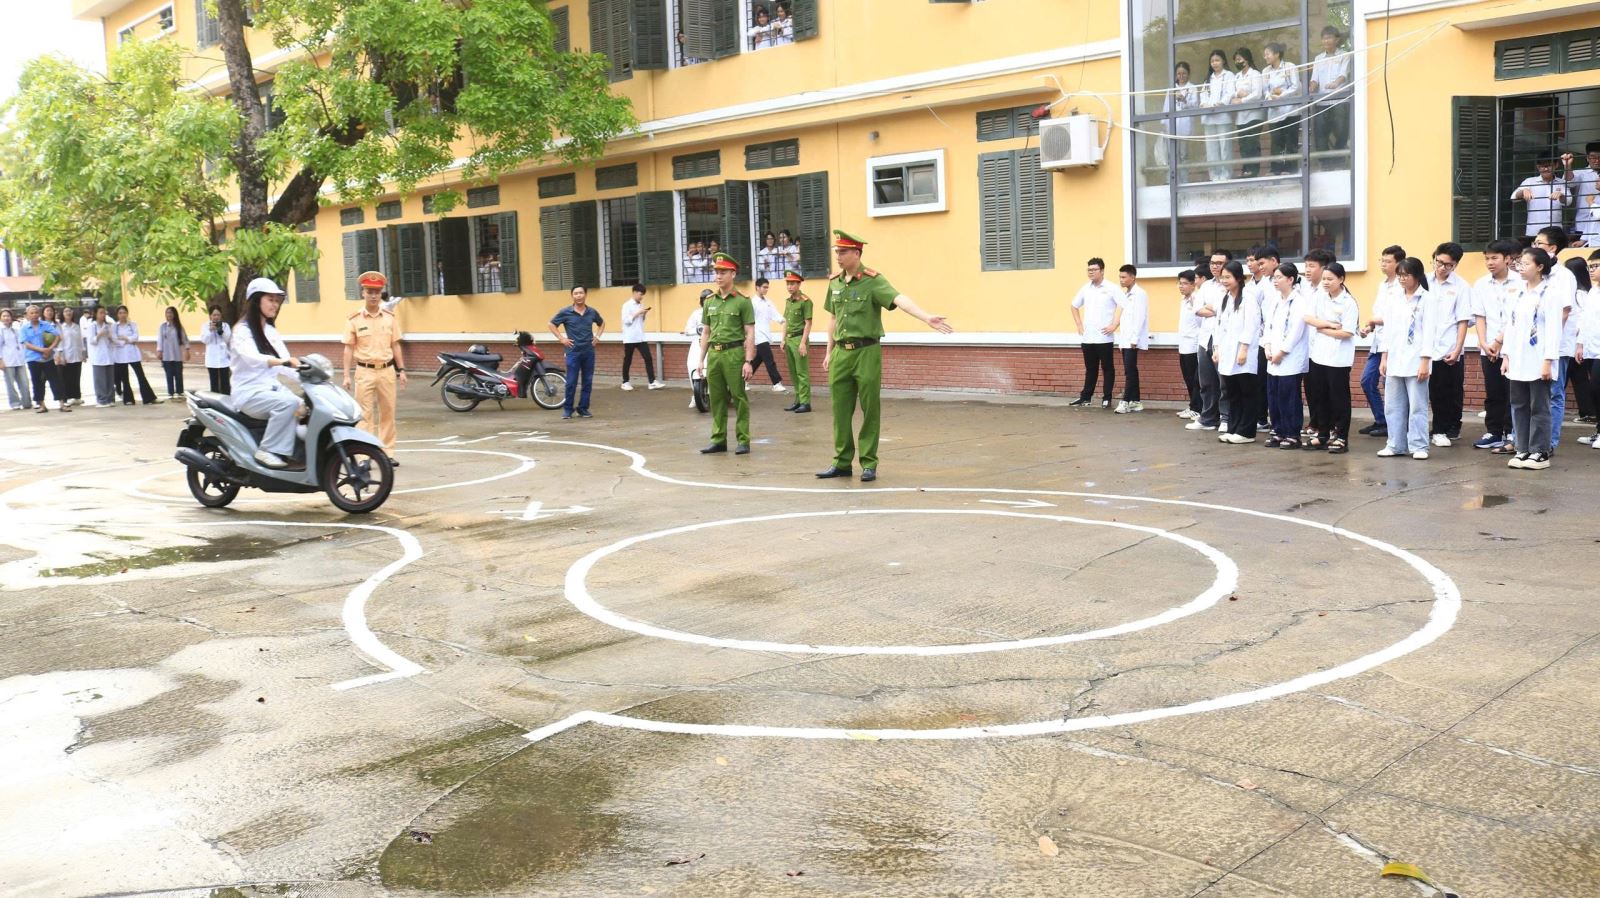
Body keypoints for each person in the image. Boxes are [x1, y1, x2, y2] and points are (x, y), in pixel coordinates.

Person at [816, 230, 952, 482]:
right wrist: (828, 352)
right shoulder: (834, 282)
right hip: (840, 355)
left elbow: (899, 299)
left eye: (843, 252)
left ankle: (869, 463)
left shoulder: (872, 280)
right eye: (837, 252)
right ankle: (842, 462)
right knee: (840, 410)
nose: (838, 256)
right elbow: (833, 318)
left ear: (857, 253)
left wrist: (926, 317)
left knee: (870, 409)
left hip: (866, 351)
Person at [230, 278, 305, 469]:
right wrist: (281, 361)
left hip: (270, 389)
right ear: (256, 301)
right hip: (249, 393)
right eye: (270, 300)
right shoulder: (241, 331)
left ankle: (296, 454)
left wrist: (308, 378)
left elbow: (285, 363)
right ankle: (267, 450)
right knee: (288, 403)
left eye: (277, 300)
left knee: (305, 406)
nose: (275, 304)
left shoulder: (270, 331)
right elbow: (253, 358)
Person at [1502, 248, 1563, 470]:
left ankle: (1539, 451)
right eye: (1520, 263)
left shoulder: (1550, 294)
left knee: (1539, 406)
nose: (1521, 267)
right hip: (1518, 359)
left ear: (1540, 267)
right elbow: (1511, 327)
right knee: (1519, 405)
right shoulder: (1518, 293)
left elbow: (1555, 330)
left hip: (1539, 359)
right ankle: (1522, 448)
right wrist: (1506, 355)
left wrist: (1548, 360)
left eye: (1526, 263)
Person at [342, 270, 409, 465]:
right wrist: (346, 375)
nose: (373, 295)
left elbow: (396, 345)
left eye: (377, 292)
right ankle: (364, 456)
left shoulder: (389, 318)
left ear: (381, 294)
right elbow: (348, 349)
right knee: (365, 415)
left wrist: (402, 370)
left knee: (388, 412)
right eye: (369, 291)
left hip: (387, 371)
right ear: (363, 293)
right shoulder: (354, 319)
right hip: (364, 371)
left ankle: (387, 454)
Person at [1378, 257, 1438, 460]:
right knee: (1393, 406)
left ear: (1417, 276)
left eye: (1406, 275)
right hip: (1395, 358)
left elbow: (1429, 332)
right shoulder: (1394, 298)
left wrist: (1425, 361)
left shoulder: (1427, 299)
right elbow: (1388, 331)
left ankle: (1419, 445)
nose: (1402, 279)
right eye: (1400, 275)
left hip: (1417, 359)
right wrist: (1384, 357)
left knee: (1417, 406)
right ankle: (1395, 444)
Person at [697, 253, 756, 455]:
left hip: (734, 353)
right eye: (716, 272)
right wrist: (701, 359)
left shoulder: (742, 301)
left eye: (723, 272)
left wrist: (748, 361)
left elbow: (749, 333)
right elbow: (706, 332)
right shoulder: (709, 301)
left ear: (733, 273)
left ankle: (743, 440)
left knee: (738, 397)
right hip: (715, 354)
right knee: (716, 398)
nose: (718, 276)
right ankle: (718, 439)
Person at [1471, 239, 1522, 451]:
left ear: (1508, 259)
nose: (1490, 262)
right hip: (1489, 347)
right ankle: (1493, 432)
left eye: (1494, 258)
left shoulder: (1520, 282)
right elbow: (1479, 316)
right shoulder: (1481, 284)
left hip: (1512, 347)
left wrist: (1499, 340)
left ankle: (1512, 432)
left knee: (1512, 391)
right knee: (1493, 392)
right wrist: (1484, 343)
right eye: (1487, 258)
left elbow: (1515, 317)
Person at [1304, 262, 1360, 453]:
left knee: (1339, 399)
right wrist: (1329, 324)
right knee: (1320, 397)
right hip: (1318, 355)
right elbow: (1308, 318)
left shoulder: (1348, 302)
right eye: (1325, 279)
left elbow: (1347, 332)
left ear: (1341, 280)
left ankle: (1341, 437)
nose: (1326, 282)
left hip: (1338, 358)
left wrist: (1322, 329)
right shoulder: (1319, 296)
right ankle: (1322, 435)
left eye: (1330, 279)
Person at [1425, 242, 1472, 447]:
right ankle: (1438, 428)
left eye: (1448, 265)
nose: (1442, 267)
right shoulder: (1423, 282)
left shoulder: (1461, 286)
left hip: (1449, 345)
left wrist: (1457, 348)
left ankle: (1445, 428)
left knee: (1449, 390)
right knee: (1432, 390)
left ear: (1456, 265)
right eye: (1439, 262)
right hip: (1427, 346)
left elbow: (1463, 320)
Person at [1358, 245, 1405, 438]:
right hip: (1379, 342)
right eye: (1382, 260)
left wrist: (1376, 321)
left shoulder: (1403, 286)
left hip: (1395, 344)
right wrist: (1370, 327)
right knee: (1367, 381)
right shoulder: (1382, 285)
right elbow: (1379, 314)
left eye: (1388, 261)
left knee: (1390, 385)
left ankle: (1396, 425)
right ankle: (1381, 420)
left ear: (1398, 263)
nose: (1383, 265)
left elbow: (1399, 315)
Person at [1213, 259, 1261, 443]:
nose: (1224, 280)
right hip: (1227, 352)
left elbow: (1251, 325)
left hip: (1243, 353)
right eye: (1222, 277)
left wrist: (1243, 349)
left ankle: (1246, 432)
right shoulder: (1225, 299)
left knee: (1246, 392)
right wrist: (1216, 348)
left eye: (1228, 277)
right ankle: (1234, 428)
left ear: (1239, 278)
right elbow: (1218, 326)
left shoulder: (1248, 298)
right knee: (1232, 392)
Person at [1262, 263, 1309, 447]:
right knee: (1273, 396)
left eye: (1279, 277)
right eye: (1274, 277)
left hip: (1290, 357)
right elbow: (1268, 326)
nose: (1275, 281)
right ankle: (1278, 430)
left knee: (1288, 396)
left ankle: (1292, 433)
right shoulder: (1275, 300)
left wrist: (1282, 351)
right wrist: (1267, 346)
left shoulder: (1299, 301)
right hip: (1272, 356)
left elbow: (1296, 331)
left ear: (1291, 279)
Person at [1068, 257, 1120, 408]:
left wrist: (1114, 324)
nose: (1091, 272)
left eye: (1094, 269)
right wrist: (1079, 324)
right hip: (1088, 337)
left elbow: (1124, 306)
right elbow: (1074, 306)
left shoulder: (1111, 288)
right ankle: (1085, 397)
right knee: (1090, 369)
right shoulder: (1086, 288)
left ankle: (1107, 398)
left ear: (1102, 271)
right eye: (1089, 270)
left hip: (1104, 338)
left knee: (1107, 368)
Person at [549, 285, 604, 420]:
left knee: (587, 381)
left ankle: (583, 408)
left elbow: (601, 323)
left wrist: (597, 337)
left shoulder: (592, 312)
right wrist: (562, 338)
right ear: (572, 296)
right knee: (571, 381)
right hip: (573, 352)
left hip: (588, 352)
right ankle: (568, 410)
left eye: (581, 293)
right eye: (575, 293)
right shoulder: (565, 312)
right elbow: (551, 324)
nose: (578, 296)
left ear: (585, 294)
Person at [1189, 251, 1230, 431]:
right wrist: (1215, 309)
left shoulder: (1232, 285)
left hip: (1224, 338)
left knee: (1224, 381)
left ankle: (1226, 417)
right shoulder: (1206, 286)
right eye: (1213, 263)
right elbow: (1197, 309)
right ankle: (1208, 418)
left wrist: (1212, 309)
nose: (1215, 266)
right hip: (1206, 338)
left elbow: (1228, 310)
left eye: (1220, 263)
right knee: (1206, 381)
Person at [1308, 26, 1352, 164]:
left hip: (1339, 101)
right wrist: (1312, 86)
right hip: (1322, 102)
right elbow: (1314, 78)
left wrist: (1335, 84)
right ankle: (1325, 163)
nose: (1326, 40)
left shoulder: (1344, 55)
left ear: (1337, 39)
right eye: (1324, 38)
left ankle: (1339, 161)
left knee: (1342, 132)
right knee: (1320, 135)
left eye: (1329, 37)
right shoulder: (1318, 58)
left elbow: (1343, 75)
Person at [1114, 264, 1149, 413]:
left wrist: (1134, 339)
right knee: (1131, 370)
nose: (1121, 280)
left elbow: (1140, 317)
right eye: (1120, 277)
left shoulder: (1139, 294)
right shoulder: (1126, 294)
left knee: (1130, 370)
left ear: (1132, 277)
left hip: (1132, 339)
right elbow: (1125, 318)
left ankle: (1125, 401)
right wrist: (1122, 340)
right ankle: (1136, 401)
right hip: (1125, 339)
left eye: (1124, 277)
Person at [19, 304, 67, 413]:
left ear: (39, 314)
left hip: (48, 358)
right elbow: (26, 344)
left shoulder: (45, 324)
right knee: (37, 382)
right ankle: (41, 404)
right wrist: (42, 350)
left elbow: (58, 337)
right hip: (33, 358)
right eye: (31, 313)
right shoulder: (24, 328)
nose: (34, 315)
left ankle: (62, 404)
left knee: (55, 380)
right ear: (27, 315)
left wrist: (49, 349)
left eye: (36, 312)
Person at [1261, 42, 1300, 175]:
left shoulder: (1290, 67)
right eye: (1264, 54)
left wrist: (1281, 95)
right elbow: (1265, 90)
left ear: (1277, 54)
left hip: (1290, 111)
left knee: (1290, 140)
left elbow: (1295, 87)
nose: (1265, 57)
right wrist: (1270, 96)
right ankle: (1276, 169)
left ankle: (1290, 169)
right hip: (1275, 111)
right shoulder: (1265, 71)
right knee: (1276, 141)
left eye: (1267, 54)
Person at [1511, 154, 1571, 237]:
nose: (1546, 169)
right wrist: (1523, 191)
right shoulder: (1530, 182)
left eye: (1549, 166)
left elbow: (1569, 201)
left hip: (1555, 232)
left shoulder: (1561, 183)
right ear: (1538, 167)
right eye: (1542, 166)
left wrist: (1561, 196)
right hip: (1534, 232)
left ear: (1556, 165)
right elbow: (1513, 197)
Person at [1199, 50, 1236, 182]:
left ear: (1223, 61)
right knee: (1211, 148)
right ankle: (1214, 175)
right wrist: (1204, 104)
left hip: (1222, 117)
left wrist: (1219, 104)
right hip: (1209, 118)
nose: (1214, 63)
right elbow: (1202, 95)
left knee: (1224, 146)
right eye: (1212, 61)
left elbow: (1230, 93)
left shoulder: (1229, 75)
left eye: (1217, 60)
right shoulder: (1208, 78)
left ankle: (1226, 174)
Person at [1156, 62, 1198, 178]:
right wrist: (1164, 125)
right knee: (1171, 155)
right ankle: (1172, 180)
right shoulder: (1172, 89)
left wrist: (1184, 101)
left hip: (1185, 126)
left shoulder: (1192, 88)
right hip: (1172, 127)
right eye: (1179, 73)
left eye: (1184, 73)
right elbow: (1166, 107)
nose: (1181, 76)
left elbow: (1195, 106)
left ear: (1188, 74)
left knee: (1183, 155)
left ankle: (1184, 180)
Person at [1230, 47, 1267, 178]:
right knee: (1243, 144)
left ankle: (1253, 170)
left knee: (1252, 143)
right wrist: (1238, 94)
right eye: (1236, 60)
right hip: (1241, 117)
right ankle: (1246, 170)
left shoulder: (1255, 74)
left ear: (1247, 59)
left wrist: (1243, 99)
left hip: (1254, 115)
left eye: (1239, 59)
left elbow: (1257, 94)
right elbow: (1233, 92)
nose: (1237, 62)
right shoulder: (1237, 76)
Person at [620, 283, 664, 391]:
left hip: (640, 337)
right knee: (628, 360)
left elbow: (641, 321)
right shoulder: (626, 305)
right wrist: (638, 312)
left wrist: (644, 314)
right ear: (634, 292)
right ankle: (625, 382)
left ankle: (652, 382)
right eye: (640, 294)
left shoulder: (640, 305)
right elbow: (626, 321)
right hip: (630, 337)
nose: (641, 297)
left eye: (643, 295)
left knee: (648, 358)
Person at [781, 269, 814, 413]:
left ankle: (806, 402)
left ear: (799, 284)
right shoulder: (788, 302)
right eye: (788, 283)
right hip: (789, 339)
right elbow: (786, 321)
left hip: (799, 338)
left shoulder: (805, 301)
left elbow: (808, 323)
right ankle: (798, 400)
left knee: (802, 372)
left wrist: (802, 343)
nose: (789, 286)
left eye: (792, 283)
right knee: (793, 372)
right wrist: (782, 339)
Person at [112, 305, 159, 405]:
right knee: (125, 378)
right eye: (120, 313)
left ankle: (149, 398)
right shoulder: (114, 326)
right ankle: (128, 399)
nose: (122, 315)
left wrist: (125, 338)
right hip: (120, 355)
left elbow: (136, 337)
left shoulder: (132, 324)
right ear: (117, 315)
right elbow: (114, 339)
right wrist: (126, 340)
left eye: (124, 312)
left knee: (140, 375)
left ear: (127, 314)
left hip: (132, 353)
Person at [1176, 269, 1203, 419]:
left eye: (1185, 284)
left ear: (1193, 285)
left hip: (1193, 345)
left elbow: (1199, 323)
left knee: (1195, 379)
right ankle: (1193, 405)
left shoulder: (1195, 299)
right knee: (1187, 377)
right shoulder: (1184, 300)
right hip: (1183, 344)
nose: (1181, 286)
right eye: (1180, 283)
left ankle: (1197, 408)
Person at [684, 288, 713, 409]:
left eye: (709, 299)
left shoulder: (716, 312)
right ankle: (695, 395)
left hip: (713, 343)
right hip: (698, 343)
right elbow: (687, 330)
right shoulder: (696, 314)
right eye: (704, 300)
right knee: (692, 365)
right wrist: (697, 330)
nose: (706, 302)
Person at [1568, 143, 1600, 246]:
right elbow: (1569, 182)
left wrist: (1591, 202)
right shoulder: (1580, 173)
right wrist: (1567, 165)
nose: (1597, 160)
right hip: (1583, 223)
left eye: (1599, 158)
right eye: (1593, 158)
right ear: (1587, 158)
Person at [55, 306, 85, 409]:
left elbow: (80, 341)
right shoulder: (60, 327)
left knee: (76, 376)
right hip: (66, 355)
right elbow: (59, 342)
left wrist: (83, 353)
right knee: (66, 377)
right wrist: (60, 355)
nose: (68, 313)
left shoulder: (76, 326)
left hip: (77, 354)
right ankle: (68, 397)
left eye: (70, 311)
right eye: (66, 311)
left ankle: (77, 396)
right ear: (62, 314)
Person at [85, 306, 116, 407]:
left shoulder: (108, 325)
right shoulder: (92, 326)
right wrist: (100, 334)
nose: (103, 315)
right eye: (101, 313)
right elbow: (91, 341)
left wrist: (110, 337)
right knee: (100, 380)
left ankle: (110, 398)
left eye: (104, 313)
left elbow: (113, 340)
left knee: (110, 379)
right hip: (98, 356)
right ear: (95, 314)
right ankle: (102, 399)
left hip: (108, 355)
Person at [0, 308, 30, 411]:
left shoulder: (16, 328)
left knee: (24, 382)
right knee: (10, 384)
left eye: (8, 316)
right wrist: (0, 361)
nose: (6, 318)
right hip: (7, 361)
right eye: (3, 316)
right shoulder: (1, 330)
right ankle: (15, 403)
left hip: (19, 359)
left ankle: (26, 402)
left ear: (11, 317)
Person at [158, 306, 190, 400]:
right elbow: (160, 340)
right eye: (167, 312)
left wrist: (187, 350)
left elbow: (185, 340)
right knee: (169, 375)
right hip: (166, 356)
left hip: (177, 355)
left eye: (171, 313)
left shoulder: (179, 327)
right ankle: (171, 393)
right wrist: (159, 350)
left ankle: (180, 392)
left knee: (178, 374)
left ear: (175, 314)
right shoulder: (163, 326)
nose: (169, 314)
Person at [200, 305, 233, 394]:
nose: (216, 317)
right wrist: (210, 331)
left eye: (218, 315)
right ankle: (214, 399)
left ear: (221, 315)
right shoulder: (205, 326)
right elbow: (205, 340)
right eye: (214, 315)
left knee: (225, 382)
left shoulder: (225, 326)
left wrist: (220, 330)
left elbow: (227, 339)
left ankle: (226, 398)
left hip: (224, 358)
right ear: (210, 316)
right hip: (212, 358)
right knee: (213, 382)